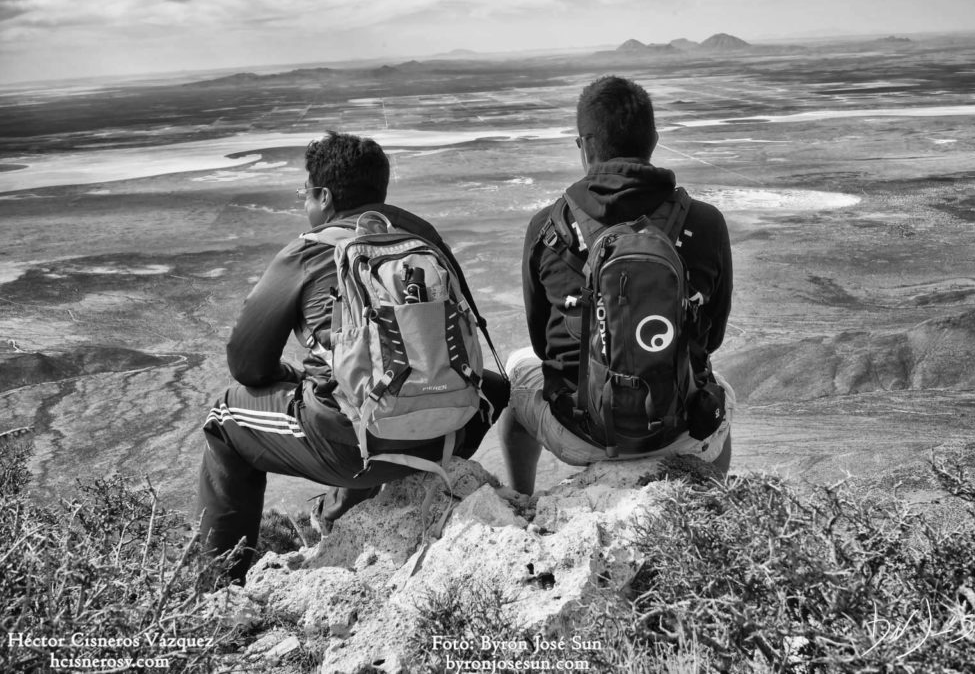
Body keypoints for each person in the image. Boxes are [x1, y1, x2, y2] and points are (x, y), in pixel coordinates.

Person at [197, 131, 508, 582]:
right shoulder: (424, 241)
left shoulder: (308, 252)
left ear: (324, 195)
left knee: (224, 418)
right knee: (494, 386)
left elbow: (245, 365)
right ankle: (347, 504)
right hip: (448, 431)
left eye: (306, 192)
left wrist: (290, 375)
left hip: (355, 448)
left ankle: (218, 587)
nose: (305, 202)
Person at [498, 76, 734, 495]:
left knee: (518, 378)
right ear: (655, 140)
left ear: (583, 146)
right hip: (679, 429)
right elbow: (711, 337)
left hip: (584, 434)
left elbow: (541, 345)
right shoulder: (706, 222)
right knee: (723, 392)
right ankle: (707, 501)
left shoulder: (546, 227)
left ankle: (521, 500)